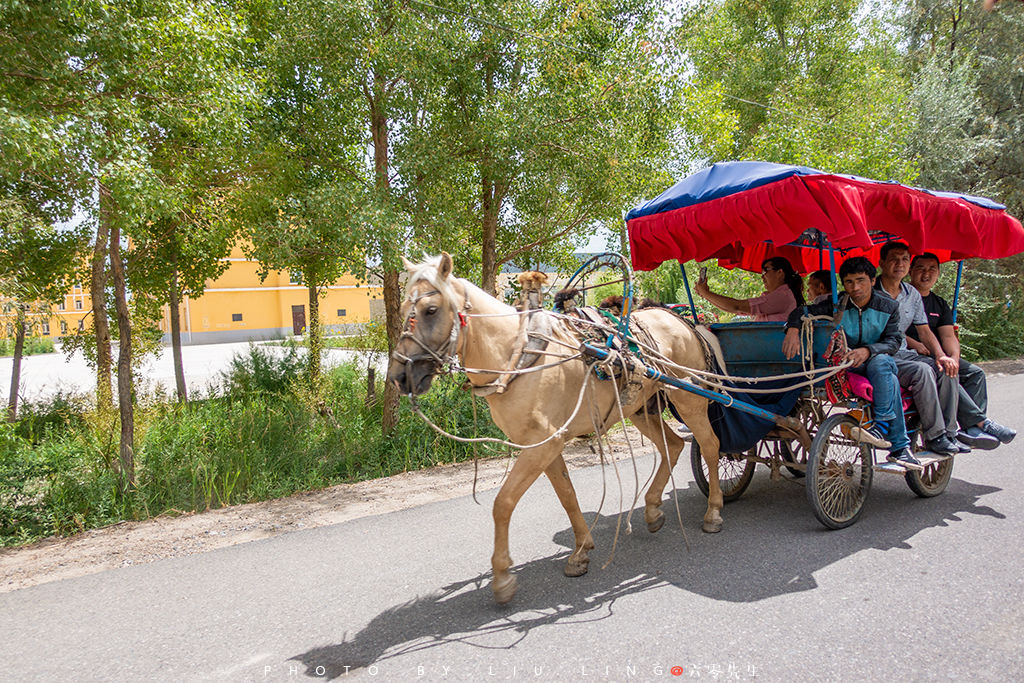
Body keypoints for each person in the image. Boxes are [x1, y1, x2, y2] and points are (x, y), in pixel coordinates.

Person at [782, 256, 919, 467]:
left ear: (873, 281)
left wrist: (867, 351)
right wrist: (793, 327)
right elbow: (802, 310)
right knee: (889, 379)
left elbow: (893, 341)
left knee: (881, 363)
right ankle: (900, 447)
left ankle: (881, 427)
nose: (855, 287)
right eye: (849, 282)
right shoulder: (837, 305)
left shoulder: (888, 306)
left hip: (877, 360)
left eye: (861, 280)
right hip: (845, 364)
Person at [907, 253, 1016, 448]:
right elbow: (894, 330)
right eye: (921, 268)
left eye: (932, 269)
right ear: (910, 271)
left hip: (937, 354)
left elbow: (948, 336)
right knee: (945, 372)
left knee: (975, 373)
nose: (926, 274)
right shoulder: (904, 297)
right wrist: (917, 346)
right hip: (912, 355)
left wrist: (954, 359)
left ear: (939, 273)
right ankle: (980, 422)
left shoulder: (939, 303)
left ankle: (970, 429)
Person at [875, 241, 964, 455]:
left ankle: (949, 433)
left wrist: (942, 356)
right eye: (894, 259)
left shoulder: (912, 294)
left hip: (906, 354)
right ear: (881, 263)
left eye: (905, 259)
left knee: (946, 369)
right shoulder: (870, 290)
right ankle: (935, 436)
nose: (900, 264)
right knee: (924, 371)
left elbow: (924, 331)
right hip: (882, 355)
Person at [695, 257, 804, 322]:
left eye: (765, 271)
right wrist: (706, 294)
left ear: (780, 273)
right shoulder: (778, 296)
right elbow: (735, 309)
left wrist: (705, 293)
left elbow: (736, 306)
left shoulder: (782, 296)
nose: (762, 277)